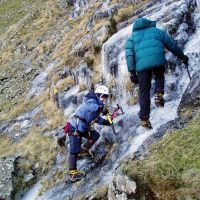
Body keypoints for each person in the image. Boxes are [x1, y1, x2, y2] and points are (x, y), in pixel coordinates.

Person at [125, 18, 189, 129]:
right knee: (159, 76)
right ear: (148, 23)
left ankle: (144, 119)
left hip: (142, 67)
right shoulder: (157, 32)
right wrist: (182, 57)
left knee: (144, 91)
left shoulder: (131, 38)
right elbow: (171, 45)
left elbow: (129, 56)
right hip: (157, 60)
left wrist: (132, 72)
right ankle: (159, 93)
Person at [58, 85, 111, 182]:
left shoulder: (96, 104)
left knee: (95, 135)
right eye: (104, 96)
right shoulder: (91, 101)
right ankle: (73, 174)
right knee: (74, 151)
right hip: (74, 127)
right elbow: (89, 107)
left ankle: (84, 150)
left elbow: (96, 118)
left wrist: (106, 122)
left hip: (82, 127)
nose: (105, 99)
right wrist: (101, 109)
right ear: (100, 95)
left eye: (106, 97)